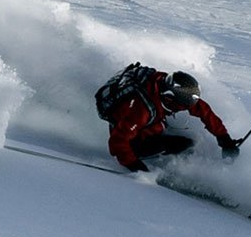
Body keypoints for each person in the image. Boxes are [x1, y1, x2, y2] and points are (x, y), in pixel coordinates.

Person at [104, 67, 242, 172]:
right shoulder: (141, 110)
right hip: (129, 132)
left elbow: (203, 110)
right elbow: (118, 141)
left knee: (184, 142)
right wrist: (135, 167)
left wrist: (224, 139)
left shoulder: (168, 89)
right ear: (169, 99)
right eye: (183, 106)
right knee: (180, 144)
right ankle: (166, 167)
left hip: (147, 123)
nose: (186, 108)